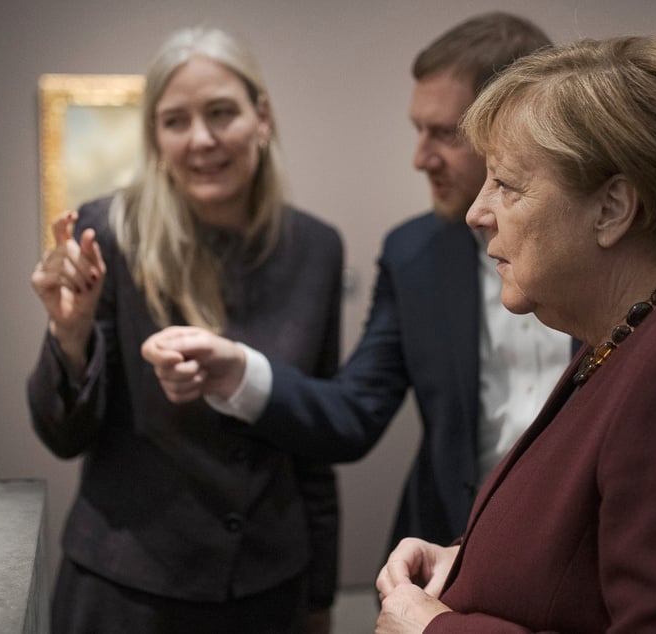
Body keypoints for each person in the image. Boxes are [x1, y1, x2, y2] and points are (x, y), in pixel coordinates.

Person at [142, 12, 572, 554]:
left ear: (516, 127)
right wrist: (238, 371)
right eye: (417, 130)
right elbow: (351, 415)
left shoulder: (604, 248)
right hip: (447, 563)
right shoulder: (412, 256)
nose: (420, 158)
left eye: (444, 134)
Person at [374, 35, 656, 633]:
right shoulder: (638, 325)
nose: (477, 211)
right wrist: (469, 561)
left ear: (612, 209)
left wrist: (434, 630)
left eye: (507, 185)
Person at [26, 26, 343, 634]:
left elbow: (314, 441)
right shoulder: (110, 233)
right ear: (155, 137)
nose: (201, 139)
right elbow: (65, 437)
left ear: (262, 117)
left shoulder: (316, 248)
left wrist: (320, 593)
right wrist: (70, 338)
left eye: (221, 112)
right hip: (127, 587)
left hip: (268, 588)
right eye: (175, 121)